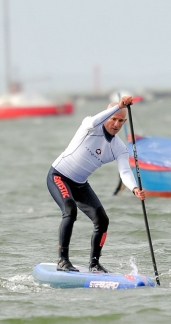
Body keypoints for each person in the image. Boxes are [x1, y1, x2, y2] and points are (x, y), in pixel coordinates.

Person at [47, 96, 146, 273]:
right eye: (113, 119)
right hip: (59, 176)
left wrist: (135, 188)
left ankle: (94, 264)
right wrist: (118, 107)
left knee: (102, 220)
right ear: (107, 116)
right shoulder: (89, 126)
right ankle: (62, 260)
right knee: (70, 211)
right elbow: (95, 120)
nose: (116, 124)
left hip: (80, 184)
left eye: (121, 121)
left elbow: (125, 171)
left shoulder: (119, 147)